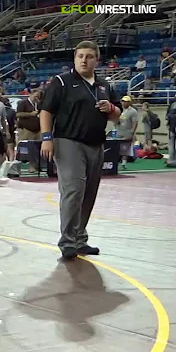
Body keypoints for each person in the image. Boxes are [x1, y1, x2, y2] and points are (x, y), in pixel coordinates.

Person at [40, 40, 121, 260]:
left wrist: (111, 108)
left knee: (89, 194)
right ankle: (67, 241)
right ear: (74, 58)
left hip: (96, 144)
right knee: (74, 190)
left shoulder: (105, 85)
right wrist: (47, 138)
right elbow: (46, 111)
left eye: (89, 56)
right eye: (80, 56)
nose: (84, 60)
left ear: (97, 59)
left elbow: (117, 114)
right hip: (68, 142)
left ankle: (79, 239)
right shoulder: (62, 82)